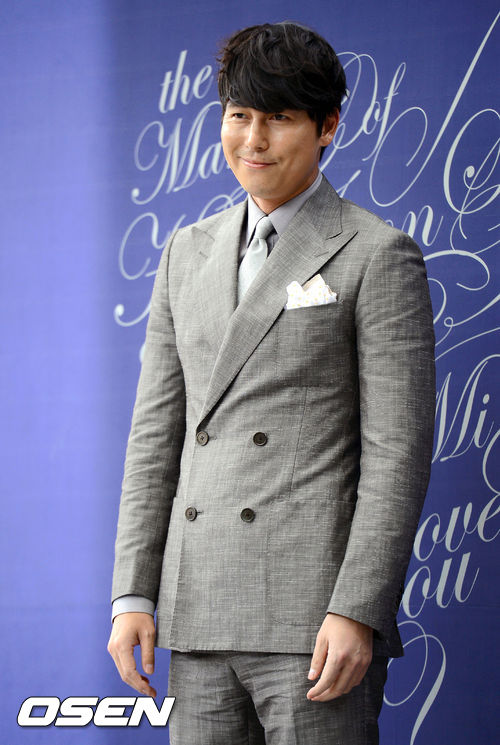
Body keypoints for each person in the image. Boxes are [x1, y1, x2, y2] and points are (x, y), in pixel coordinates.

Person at [108, 21, 435, 745]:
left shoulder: (377, 253)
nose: (253, 140)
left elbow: (398, 454)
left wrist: (357, 608)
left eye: (279, 118)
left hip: (312, 618)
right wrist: (133, 592)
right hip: (196, 608)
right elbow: (155, 438)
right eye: (239, 115)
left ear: (328, 127)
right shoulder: (185, 252)